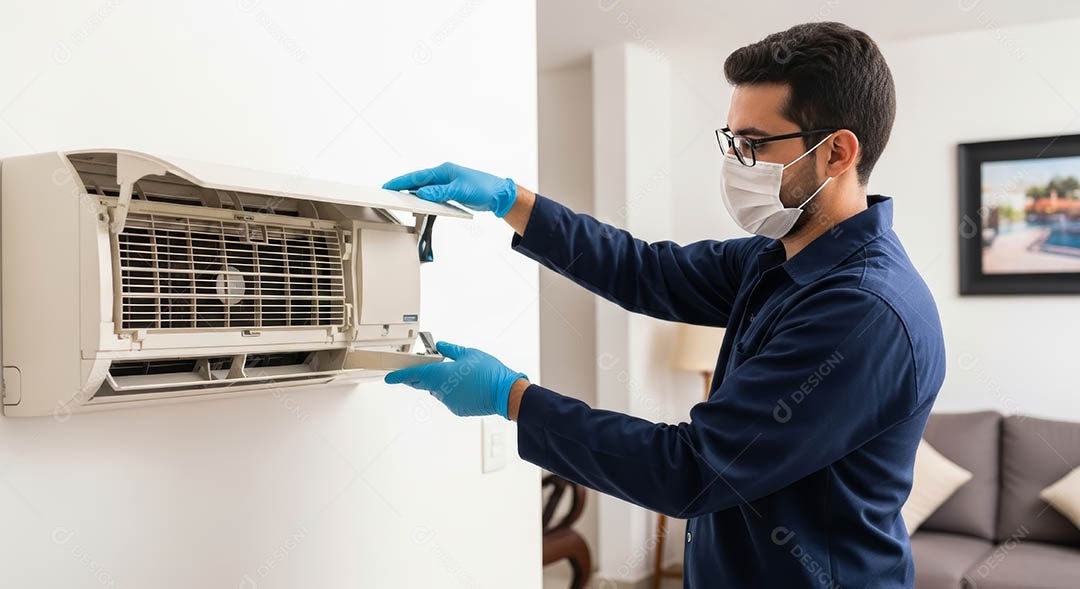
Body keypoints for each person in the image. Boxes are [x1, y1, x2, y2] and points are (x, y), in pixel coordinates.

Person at [381, 21, 945, 588]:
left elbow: (691, 471)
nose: (737, 164)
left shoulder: (862, 311)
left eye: (754, 143)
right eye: (732, 142)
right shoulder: (781, 257)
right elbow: (646, 270)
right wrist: (512, 201)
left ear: (837, 153)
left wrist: (514, 400)